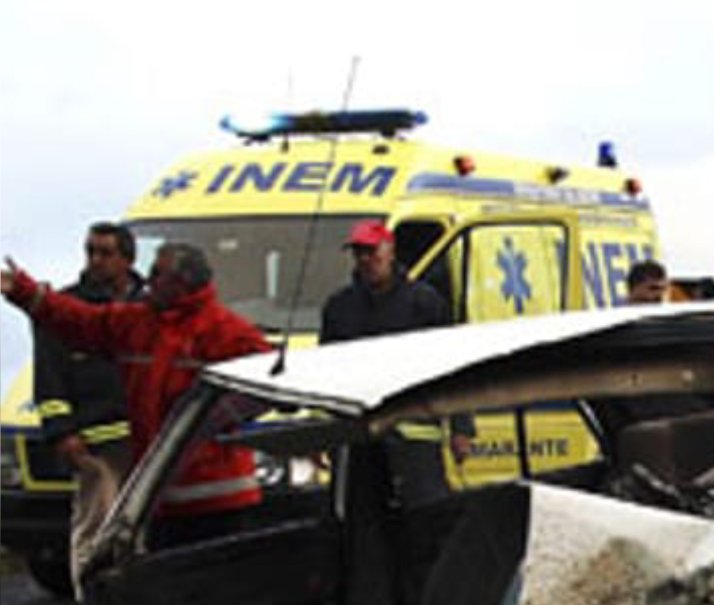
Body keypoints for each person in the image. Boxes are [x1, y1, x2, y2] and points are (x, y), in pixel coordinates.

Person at [3, 243, 272, 548]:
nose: (148, 280)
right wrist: (26, 293)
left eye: (157, 273)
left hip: (219, 499)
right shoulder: (138, 323)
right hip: (158, 495)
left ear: (181, 283)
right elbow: (82, 321)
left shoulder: (227, 332)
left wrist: (220, 419)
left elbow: (274, 382)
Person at [319, 219, 469, 504]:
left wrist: (462, 429)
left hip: (416, 440)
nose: (365, 259)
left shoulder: (425, 303)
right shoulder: (339, 308)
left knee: (425, 516)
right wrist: (322, 435)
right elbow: (326, 373)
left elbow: (452, 366)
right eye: (358, 252)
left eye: (371, 251)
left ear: (390, 251)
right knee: (362, 519)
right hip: (358, 441)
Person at [33, 222, 147, 584]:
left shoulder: (150, 306)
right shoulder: (65, 309)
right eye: (90, 251)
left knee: (145, 529)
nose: (95, 260)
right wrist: (62, 432)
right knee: (94, 531)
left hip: (148, 439)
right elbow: (49, 379)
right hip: (95, 443)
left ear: (128, 259)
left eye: (105, 253)